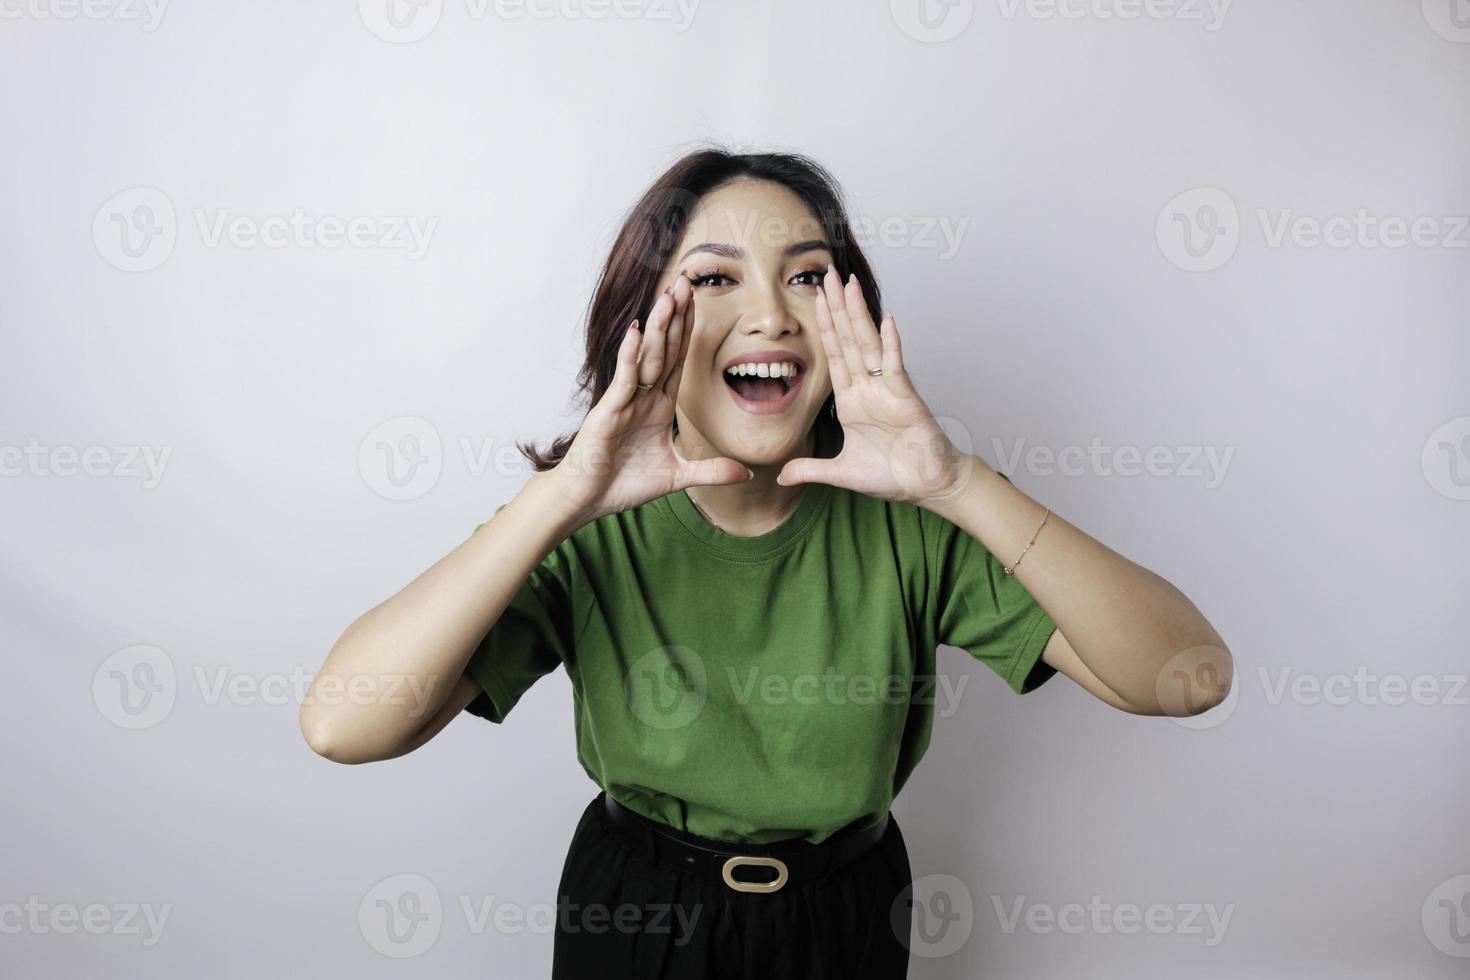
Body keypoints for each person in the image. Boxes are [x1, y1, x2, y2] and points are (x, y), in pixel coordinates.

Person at [300, 147, 1234, 979]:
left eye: (807, 277)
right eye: (714, 280)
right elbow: (343, 725)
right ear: (646, 319)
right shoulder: (587, 531)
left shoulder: (910, 523)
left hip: (849, 914)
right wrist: (563, 492)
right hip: (638, 913)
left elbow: (1186, 677)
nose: (770, 316)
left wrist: (955, 482)